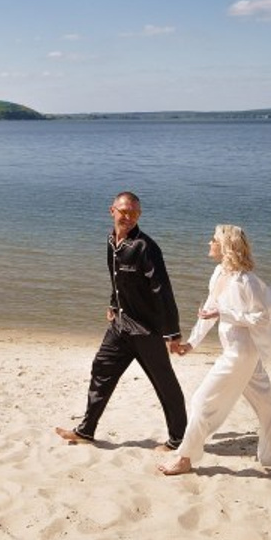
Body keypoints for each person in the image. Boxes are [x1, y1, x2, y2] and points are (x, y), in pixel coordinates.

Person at [157, 224, 271, 477]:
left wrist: (224, 313)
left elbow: (261, 318)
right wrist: (192, 343)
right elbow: (208, 310)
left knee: (200, 400)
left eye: (213, 240)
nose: (209, 243)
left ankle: (185, 458)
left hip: (240, 354)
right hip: (239, 352)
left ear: (226, 246)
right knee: (267, 405)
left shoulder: (246, 281)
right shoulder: (219, 273)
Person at [55, 191, 188, 450]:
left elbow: (162, 290)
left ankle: (179, 439)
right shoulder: (111, 240)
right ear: (112, 210)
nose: (128, 217)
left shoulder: (145, 247)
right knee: (101, 370)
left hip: (147, 331)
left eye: (134, 213)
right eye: (124, 211)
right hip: (120, 327)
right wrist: (113, 304)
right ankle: (86, 430)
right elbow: (116, 278)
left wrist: (172, 334)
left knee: (164, 383)